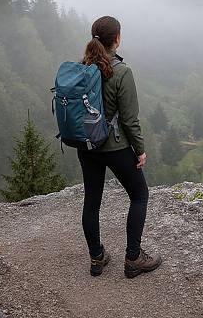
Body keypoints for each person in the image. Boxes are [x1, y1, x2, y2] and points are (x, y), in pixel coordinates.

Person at [78, 15, 162, 278]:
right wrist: (140, 149)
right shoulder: (121, 72)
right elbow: (129, 119)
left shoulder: (82, 68)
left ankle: (97, 258)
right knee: (139, 195)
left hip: (88, 146)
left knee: (92, 201)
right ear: (117, 39)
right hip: (115, 147)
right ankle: (133, 258)